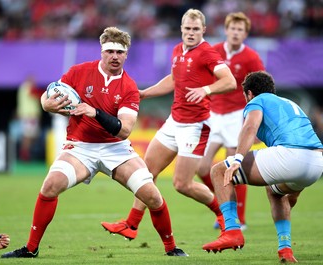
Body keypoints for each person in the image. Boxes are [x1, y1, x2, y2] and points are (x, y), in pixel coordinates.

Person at [1, 26, 188, 258]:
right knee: (50, 186)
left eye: (120, 52)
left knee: (152, 195)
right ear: (102, 52)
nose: (114, 56)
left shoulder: (129, 86)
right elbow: (50, 93)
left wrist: (95, 112)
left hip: (115, 148)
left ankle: (172, 249)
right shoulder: (79, 72)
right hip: (80, 147)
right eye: (110, 51)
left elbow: (125, 130)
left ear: (126, 55)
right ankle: (30, 249)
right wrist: (45, 104)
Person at [101, 8, 236, 240]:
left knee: (182, 184)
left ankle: (225, 216)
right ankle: (131, 225)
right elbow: (174, 80)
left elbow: (230, 81)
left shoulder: (208, 53)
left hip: (196, 126)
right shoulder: (177, 50)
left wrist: (206, 89)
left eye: (195, 29)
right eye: (187, 29)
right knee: (146, 173)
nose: (191, 33)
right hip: (174, 122)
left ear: (203, 30)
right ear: (181, 29)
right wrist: (146, 93)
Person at [202, 71, 323, 263]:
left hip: (290, 155)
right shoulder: (290, 103)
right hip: (316, 163)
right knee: (276, 193)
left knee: (218, 170)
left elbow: (250, 127)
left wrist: (237, 159)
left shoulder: (257, 101)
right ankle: (285, 249)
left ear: (249, 93)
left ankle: (232, 231)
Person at [197, 12, 265, 231]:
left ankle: (238, 218)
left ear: (245, 34)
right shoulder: (213, 51)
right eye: (232, 28)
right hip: (213, 115)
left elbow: (261, 91)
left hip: (237, 115)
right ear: (226, 30)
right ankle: (222, 206)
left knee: (231, 168)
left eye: (240, 30)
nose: (236, 33)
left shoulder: (251, 57)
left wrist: (254, 123)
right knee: (202, 166)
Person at [16, 75, 43, 161]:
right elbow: (36, 94)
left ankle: (25, 153)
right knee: (28, 136)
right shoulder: (27, 87)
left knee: (31, 136)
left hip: (28, 115)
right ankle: (24, 155)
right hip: (29, 115)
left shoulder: (22, 88)